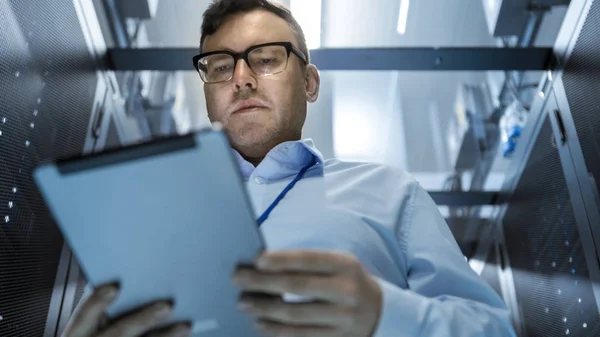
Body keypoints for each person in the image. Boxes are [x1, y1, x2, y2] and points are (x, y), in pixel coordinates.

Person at [61, 0, 517, 336]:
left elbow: (495, 328)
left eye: (266, 58)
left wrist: (384, 314)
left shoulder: (389, 192)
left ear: (310, 82)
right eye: (220, 66)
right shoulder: (147, 216)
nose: (241, 78)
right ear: (207, 94)